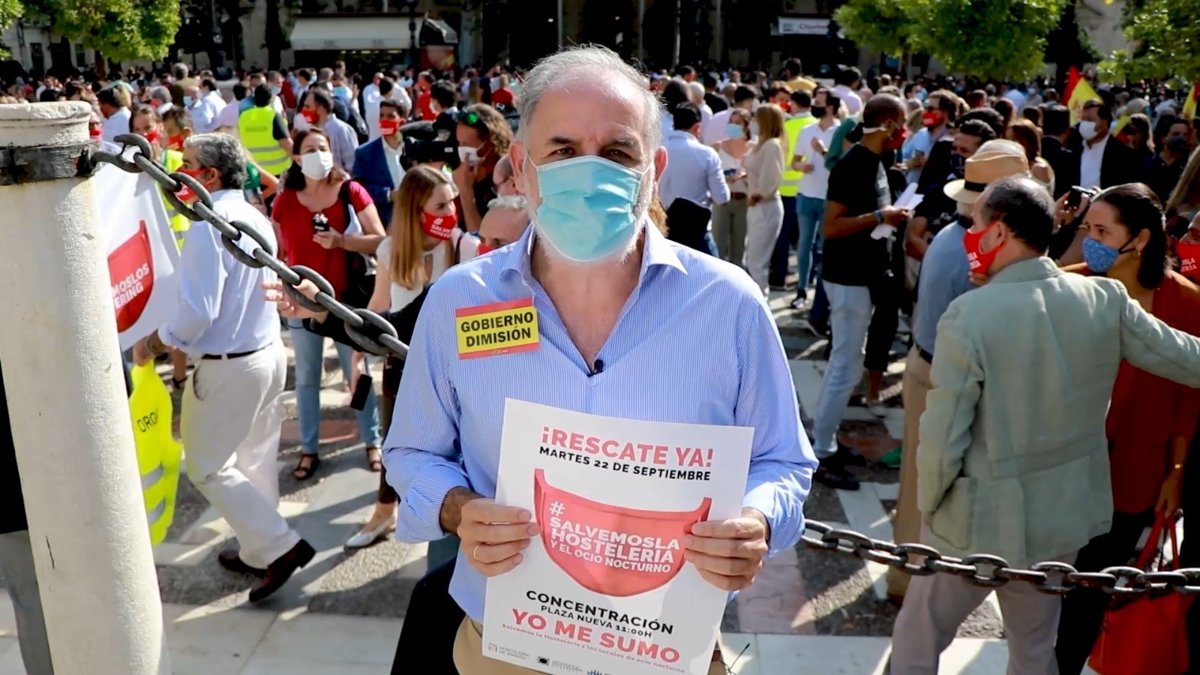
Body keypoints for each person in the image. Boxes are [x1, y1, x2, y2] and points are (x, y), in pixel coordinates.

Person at [380, 45, 815, 675]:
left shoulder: (729, 306)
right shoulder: (460, 302)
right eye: (562, 151)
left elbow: (783, 460)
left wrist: (757, 520)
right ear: (521, 167)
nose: (589, 173)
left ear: (653, 168)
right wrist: (458, 509)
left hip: (666, 651)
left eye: (616, 152)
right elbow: (410, 452)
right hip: (505, 649)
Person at [889, 176, 1200, 673]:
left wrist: (931, 509)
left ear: (999, 232)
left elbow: (944, 436)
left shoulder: (969, 314)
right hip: (1057, 525)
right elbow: (1187, 358)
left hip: (973, 523)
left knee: (917, 639)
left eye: (975, 224)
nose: (969, 236)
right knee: (1035, 650)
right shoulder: (1102, 299)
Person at [132, 134, 314, 603]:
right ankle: (260, 549)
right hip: (265, 354)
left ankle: (278, 546)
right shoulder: (252, 213)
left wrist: (152, 343)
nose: (180, 172)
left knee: (209, 467)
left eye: (188, 164)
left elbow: (197, 313)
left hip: (230, 366)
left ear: (210, 175)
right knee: (254, 458)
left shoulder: (208, 224)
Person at [1054, 183, 1200, 674]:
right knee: (1048, 588)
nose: (1090, 241)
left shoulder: (1185, 303)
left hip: (1136, 469)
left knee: (1092, 592)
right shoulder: (1069, 288)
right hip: (1066, 465)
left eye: (1102, 231)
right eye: (1087, 229)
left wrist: (1175, 473)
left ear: (1139, 239)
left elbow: (1187, 399)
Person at [887, 140, 1030, 602]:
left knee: (917, 484)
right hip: (943, 377)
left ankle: (906, 579)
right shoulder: (974, 256)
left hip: (926, 365)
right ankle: (916, 586)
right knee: (932, 490)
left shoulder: (952, 236)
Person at [346, 166, 479, 550]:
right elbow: (379, 306)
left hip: (456, 370)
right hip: (403, 365)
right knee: (397, 442)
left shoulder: (463, 248)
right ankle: (384, 512)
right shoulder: (391, 250)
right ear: (415, 209)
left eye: (452, 201)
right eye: (441, 205)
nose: (450, 211)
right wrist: (357, 355)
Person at [270, 128, 385, 480]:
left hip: (346, 302)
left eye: (322, 148)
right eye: (309, 149)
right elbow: (278, 253)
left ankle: (372, 441)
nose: (317, 154)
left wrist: (341, 242)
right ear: (296, 157)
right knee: (306, 378)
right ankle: (309, 449)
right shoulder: (285, 200)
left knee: (357, 372)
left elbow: (379, 240)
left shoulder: (351, 190)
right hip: (302, 304)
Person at [810, 95, 909, 491]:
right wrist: (880, 217)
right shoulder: (853, 165)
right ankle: (820, 450)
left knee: (847, 363)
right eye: (901, 124)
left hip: (862, 277)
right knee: (844, 366)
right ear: (888, 123)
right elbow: (831, 226)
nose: (905, 132)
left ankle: (827, 441)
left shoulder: (876, 161)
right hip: (847, 278)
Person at [790, 90, 842, 308]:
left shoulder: (841, 132)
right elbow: (794, 161)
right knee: (804, 245)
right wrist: (800, 166)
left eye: (819, 102)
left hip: (829, 199)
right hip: (806, 194)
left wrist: (822, 151)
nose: (814, 105)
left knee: (824, 248)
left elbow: (842, 166)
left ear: (830, 107)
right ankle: (801, 290)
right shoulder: (806, 131)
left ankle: (822, 298)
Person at [659, 102, 731, 254]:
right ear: (697, 127)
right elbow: (722, 198)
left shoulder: (657, 150)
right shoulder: (707, 154)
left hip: (662, 231)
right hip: (696, 233)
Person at [743, 103, 787, 295]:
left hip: (764, 206)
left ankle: (761, 301)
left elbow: (771, 179)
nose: (752, 122)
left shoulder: (771, 146)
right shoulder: (761, 144)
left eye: (755, 118)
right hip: (757, 207)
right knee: (753, 260)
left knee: (757, 263)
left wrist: (757, 195)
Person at [452, 104, 513, 233]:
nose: (461, 149)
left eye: (466, 144)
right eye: (459, 143)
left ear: (488, 145)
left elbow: (484, 240)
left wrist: (466, 191)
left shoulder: (505, 179)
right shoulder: (466, 172)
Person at [354, 98, 410, 227]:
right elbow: (359, 190)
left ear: (402, 121)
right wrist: (388, 195)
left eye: (390, 116)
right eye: (381, 116)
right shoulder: (365, 153)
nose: (384, 120)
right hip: (386, 222)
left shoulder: (414, 148)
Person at [712, 108, 753, 265]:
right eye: (731, 122)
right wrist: (723, 178)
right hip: (722, 202)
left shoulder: (753, 148)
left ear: (746, 126)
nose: (733, 126)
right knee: (718, 247)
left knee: (739, 249)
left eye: (738, 123)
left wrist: (746, 176)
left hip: (744, 202)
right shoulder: (718, 147)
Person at [1077, 98, 1142, 189]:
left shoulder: (1122, 154)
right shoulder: (1074, 148)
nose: (1084, 124)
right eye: (1083, 119)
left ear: (1104, 124)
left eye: (1090, 120)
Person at [238, 84, 293, 178]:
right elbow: (287, 143)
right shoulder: (273, 116)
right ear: (271, 98)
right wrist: (297, 160)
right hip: (277, 171)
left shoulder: (243, 117)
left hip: (253, 172)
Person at [300, 88, 358, 172]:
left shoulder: (342, 130)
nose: (303, 110)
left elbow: (352, 164)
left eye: (307, 106)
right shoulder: (308, 130)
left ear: (320, 109)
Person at [1006, 119, 1055, 194]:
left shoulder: (1039, 168)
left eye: (1014, 139)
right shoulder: (1016, 164)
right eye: (1007, 139)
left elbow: (1040, 198)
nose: (1009, 143)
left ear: (1028, 140)